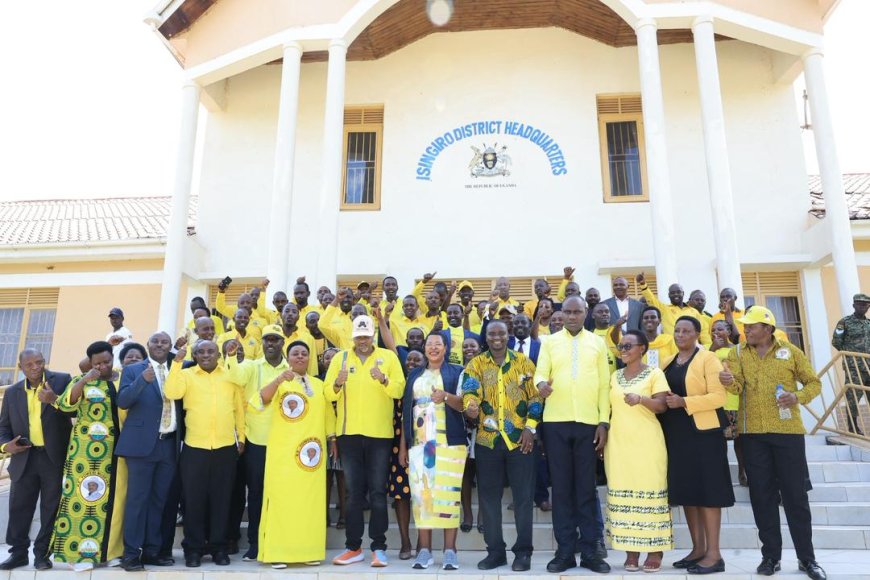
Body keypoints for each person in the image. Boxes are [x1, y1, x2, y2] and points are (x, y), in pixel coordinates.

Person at [720, 307, 826, 580]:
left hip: (788, 433)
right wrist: (728, 381)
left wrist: (797, 397)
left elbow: (813, 383)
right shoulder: (738, 353)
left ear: (767, 329)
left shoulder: (790, 351)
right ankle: (770, 557)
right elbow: (737, 388)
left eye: (752, 326)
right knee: (762, 497)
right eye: (745, 326)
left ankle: (807, 559)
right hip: (752, 434)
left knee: (795, 497)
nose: (746, 330)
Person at [534, 296, 610, 573]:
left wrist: (603, 422)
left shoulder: (597, 343)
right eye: (567, 312)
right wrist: (541, 384)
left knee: (586, 489)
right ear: (561, 313)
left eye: (578, 312)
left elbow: (603, 385)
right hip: (556, 422)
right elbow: (540, 372)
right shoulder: (549, 341)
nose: (573, 316)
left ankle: (590, 552)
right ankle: (564, 551)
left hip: (589, 423)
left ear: (585, 313)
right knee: (563, 489)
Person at [324, 315, 405, 567]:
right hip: (349, 435)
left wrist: (383, 379)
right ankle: (353, 547)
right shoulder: (340, 358)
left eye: (366, 336)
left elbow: (399, 390)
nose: (362, 341)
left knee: (378, 493)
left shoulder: (388, 358)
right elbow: (327, 394)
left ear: (373, 335)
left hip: (379, 435)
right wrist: (337, 383)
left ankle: (378, 548)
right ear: (353, 337)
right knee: (352, 493)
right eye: (358, 336)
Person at [463, 320, 541, 572]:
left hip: (521, 441)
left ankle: (523, 552)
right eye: (492, 333)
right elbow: (470, 390)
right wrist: (471, 406)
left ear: (508, 336)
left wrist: (530, 428)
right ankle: (495, 552)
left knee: (523, 498)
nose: (497, 337)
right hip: (487, 441)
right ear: (486, 337)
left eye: (501, 333)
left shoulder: (523, 363)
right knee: (488, 499)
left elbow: (536, 398)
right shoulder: (476, 363)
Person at [659, 317, 733, 574]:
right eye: (677, 330)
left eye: (686, 331)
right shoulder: (668, 361)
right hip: (677, 436)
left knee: (708, 493)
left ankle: (714, 555)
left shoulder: (707, 359)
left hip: (705, 435)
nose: (680, 334)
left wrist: (685, 402)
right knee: (689, 493)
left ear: (697, 334)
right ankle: (698, 549)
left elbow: (719, 396)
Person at [165, 339, 245, 567]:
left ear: (218, 355)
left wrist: (242, 436)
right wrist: (177, 363)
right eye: (201, 352)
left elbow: (239, 408)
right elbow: (172, 391)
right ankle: (193, 550)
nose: (206, 355)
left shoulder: (229, 376)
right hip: (194, 448)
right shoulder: (187, 375)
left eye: (211, 351)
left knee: (222, 501)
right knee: (193, 502)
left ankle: (219, 548)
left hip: (225, 446)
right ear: (196, 355)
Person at [256, 340, 335, 567]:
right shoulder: (280, 380)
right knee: (283, 501)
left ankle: (308, 551)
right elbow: (261, 399)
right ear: (288, 357)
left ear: (310, 359)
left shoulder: (319, 385)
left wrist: (332, 438)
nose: (300, 357)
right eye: (295, 354)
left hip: (312, 454)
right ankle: (278, 553)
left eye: (304, 354)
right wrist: (279, 379)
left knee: (310, 502)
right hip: (283, 452)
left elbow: (328, 412)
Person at [52, 341, 127, 569]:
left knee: (114, 501)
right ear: (90, 363)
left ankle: (110, 552)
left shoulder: (122, 378)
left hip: (116, 452)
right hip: (85, 453)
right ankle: (79, 556)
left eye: (107, 361)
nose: (103, 366)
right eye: (98, 363)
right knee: (81, 500)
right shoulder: (82, 380)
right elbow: (66, 405)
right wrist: (85, 379)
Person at [605, 330, 672, 573]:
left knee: (651, 491)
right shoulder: (614, 376)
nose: (623, 350)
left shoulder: (655, 373)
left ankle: (655, 550)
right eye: (621, 346)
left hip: (647, 443)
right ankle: (631, 550)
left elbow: (662, 406)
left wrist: (641, 399)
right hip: (619, 443)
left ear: (642, 348)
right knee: (623, 493)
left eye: (628, 346)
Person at [116, 332, 183, 571]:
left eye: (164, 342)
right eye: (155, 341)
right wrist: (142, 381)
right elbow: (123, 400)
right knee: (137, 501)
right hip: (141, 446)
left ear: (169, 346)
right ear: (148, 345)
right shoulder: (134, 370)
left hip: (169, 444)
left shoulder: (179, 368)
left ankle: (152, 551)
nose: (160, 345)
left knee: (159, 502)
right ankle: (131, 554)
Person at [399, 333, 467, 571]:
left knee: (449, 496)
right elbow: (406, 411)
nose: (433, 348)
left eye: (438, 344)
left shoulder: (456, 372)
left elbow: (466, 406)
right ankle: (425, 551)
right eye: (429, 344)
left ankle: (450, 551)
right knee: (422, 497)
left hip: (450, 444)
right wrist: (404, 446)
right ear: (424, 349)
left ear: (446, 348)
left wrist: (445, 397)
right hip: (422, 445)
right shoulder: (415, 374)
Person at [0, 350, 72, 571]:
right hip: (24, 457)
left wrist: (54, 400)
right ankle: (18, 553)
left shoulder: (61, 380)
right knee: (19, 507)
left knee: (50, 508)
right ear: (20, 367)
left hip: (53, 456)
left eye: (39, 362)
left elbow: (74, 408)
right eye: (29, 364)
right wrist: (6, 446)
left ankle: (42, 554)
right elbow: (3, 427)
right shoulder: (12, 393)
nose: (35, 367)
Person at [224, 326, 290, 562]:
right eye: (267, 340)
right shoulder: (252, 366)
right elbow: (233, 376)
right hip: (257, 441)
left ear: (282, 342)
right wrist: (231, 356)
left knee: (280, 494)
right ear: (262, 343)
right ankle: (255, 543)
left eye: (275, 339)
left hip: (285, 442)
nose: (270, 343)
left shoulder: (291, 368)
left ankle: (277, 541)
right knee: (256, 495)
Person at [831, 292, 870, 435]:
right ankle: (853, 427)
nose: (862, 307)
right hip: (854, 367)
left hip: (869, 367)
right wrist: (849, 356)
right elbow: (836, 341)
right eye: (859, 304)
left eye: (865, 305)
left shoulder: (869, 324)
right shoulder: (845, 322)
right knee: (853, 397)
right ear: (854, 305)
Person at [636, 273, 710, 345]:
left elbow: (703, 332)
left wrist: (708, 347)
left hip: (691, 350)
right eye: (673, 293)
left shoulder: (694, 311)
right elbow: (651, 300)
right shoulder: (664, 309)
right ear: (669, 295)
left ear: (683, 293)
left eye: (678, 292)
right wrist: (643, 285)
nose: (676, 294)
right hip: (671, 349)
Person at [458, 337, 482, 534]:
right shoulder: (461, 372)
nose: (468, 349)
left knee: (484, 473)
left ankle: (483, 513)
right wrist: (467, 415)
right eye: (465, 346)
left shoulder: (485, 368)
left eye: (472, 346)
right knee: (465, 473)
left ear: (479, 348)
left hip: (486, 429)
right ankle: (467, 513)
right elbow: (458, 398)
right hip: (465, 428)